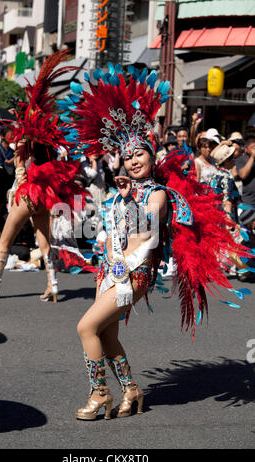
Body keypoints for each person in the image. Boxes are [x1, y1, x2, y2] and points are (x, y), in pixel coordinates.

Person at [58, 63, 253, 421]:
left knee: (85, 327)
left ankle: (99, 393)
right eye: (128, 156)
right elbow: (112, 233)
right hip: (110, 270)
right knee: (108, 335)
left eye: (140, 154)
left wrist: (121, 265)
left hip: (133, 275)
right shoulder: (124, 192)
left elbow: (146, 239)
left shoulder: (159, 195)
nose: (133, 160)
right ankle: (132, 391)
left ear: (152, 155)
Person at [0, 50, 88, 301]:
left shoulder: (29, 129)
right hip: (48, 194)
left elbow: (20, 158)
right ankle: (53, 284)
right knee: (44, 241)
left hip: (31, 192)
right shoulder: (52, 128)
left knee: (7, 237)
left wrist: (20, 179)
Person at [235, 134, 255, 210]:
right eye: (253, 147)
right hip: (249, 202)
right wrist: (252, 157)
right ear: (246, 149)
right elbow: (243, 175)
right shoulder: (241, 159)